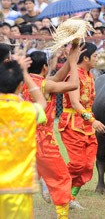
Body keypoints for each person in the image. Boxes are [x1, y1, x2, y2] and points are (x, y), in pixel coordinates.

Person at [22, 47, 82, 217]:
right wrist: (72, 63)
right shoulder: (45, 84)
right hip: (42, 139)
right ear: (44, 68)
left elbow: (56, 78)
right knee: (61, 177)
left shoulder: (26, 81)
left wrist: (70, 60)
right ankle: (62, 214)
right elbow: (73, 85)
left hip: (23, 135)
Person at [58, 42, 105, 208]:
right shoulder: (74, 75)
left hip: (87, 125)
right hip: (73, 124)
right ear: (85, 58)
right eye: (94, 56)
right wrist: (94, 121)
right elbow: (75, 102)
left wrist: (91, 121)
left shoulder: (89, 75)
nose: (97, 58)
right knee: (78, 163)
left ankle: (70, 198)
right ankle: (55, 185)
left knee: (87, 167)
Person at [0, 55, 47, 218]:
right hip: (19, 186)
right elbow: (42, 102)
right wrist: (25, 74)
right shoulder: (28, 111)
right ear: (21, 86)